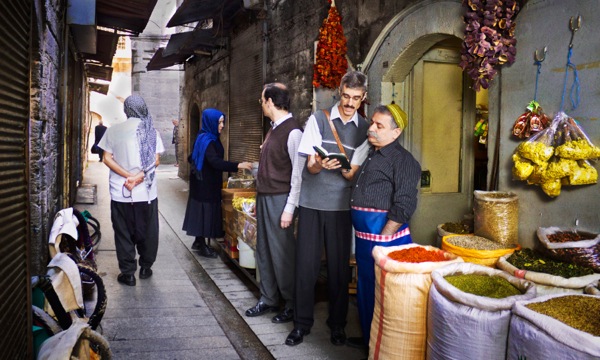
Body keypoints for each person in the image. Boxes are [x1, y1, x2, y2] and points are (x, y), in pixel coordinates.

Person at [285, 71, 370, 347]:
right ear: (339, 92)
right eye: (346, 96)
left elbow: (352, 174)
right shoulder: (318, 119)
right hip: (311, 205)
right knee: (306, 267)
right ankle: (301, 324)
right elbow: (308, 165)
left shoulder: (364, 129)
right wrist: (319, 165)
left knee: (338, 270)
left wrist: (345, 170)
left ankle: (337, 325)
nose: (349, 103)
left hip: (341, 208)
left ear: (363, 98)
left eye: (356, 98)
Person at [346, 104, 421, 351]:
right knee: (367, 289)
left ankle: (384, 348)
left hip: (386, 241)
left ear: (396, 132)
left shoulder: (403, 161)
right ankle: (370, 340)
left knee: (385, 294)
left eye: (380, 126)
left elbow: (405, 204)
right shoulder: (372, 154)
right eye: (372, 123)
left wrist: (384, 241)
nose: (372, 129)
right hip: (367, 238)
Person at [244, 83, 303, 324]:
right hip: (266, 197)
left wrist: (289, 208)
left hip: (281, 200)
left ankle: (290, 303)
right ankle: (268, 298)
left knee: (283, 254)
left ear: (270, 101)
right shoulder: (274, 128)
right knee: (265, 251)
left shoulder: (293, 132)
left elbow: (298, 175)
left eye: (262, 100)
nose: (261, 105)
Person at [98, 95, 165, 286]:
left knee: (123, 232)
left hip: (121, 193)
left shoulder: (114, 131)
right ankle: (145, 267)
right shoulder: (151, 132)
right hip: (147, 194)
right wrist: (137, 178)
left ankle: (128, 273)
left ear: (126, 110)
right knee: (148, 231)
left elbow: (107, 158)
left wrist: (128, 176)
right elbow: (156, 161)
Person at [182, 108, 252, 258]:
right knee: (205, 212)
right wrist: (237, 165)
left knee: (203, 211)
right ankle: (202, 245)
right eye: (219, 122)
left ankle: (198, 241)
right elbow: (215, 162)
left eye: (222, 121)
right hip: (204, 184)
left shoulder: (205, 137)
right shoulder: (207, 141)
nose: (222, 125)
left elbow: (192, 157)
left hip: (204, 181)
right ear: (211, 122)